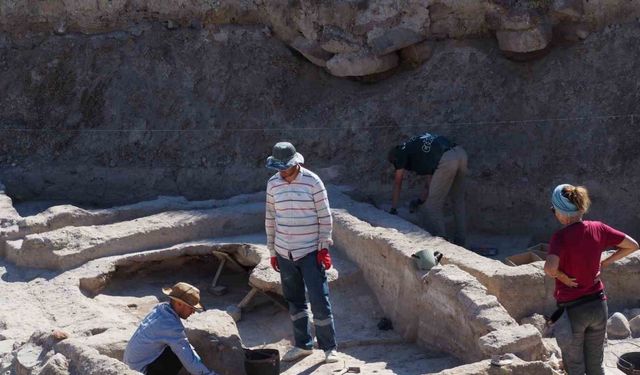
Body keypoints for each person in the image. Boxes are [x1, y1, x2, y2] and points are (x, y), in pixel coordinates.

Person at [544, 184, 638, 375]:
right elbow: (633, 245)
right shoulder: (599, 228)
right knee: (596, 364)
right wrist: (605, 262)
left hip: (573, 310)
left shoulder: (560, 237)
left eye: (554, 210)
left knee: (575, 365)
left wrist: (563, 277)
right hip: (598, 305)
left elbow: (549, 268)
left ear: (562, 213)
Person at [264, 141, 340, 364]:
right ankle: (303, 345)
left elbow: (325, 217)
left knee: (319, 298)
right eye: (278, 167)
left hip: (309, 251)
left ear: (295, 163)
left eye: (285, 166)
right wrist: (272, 250)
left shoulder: (312, 181)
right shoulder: (273, 184)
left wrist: (323, 247)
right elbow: (270, 217)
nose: (282, 171)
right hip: (284, 251)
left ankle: (329, 347)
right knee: (294, 300)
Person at [387, 132, 468, 246]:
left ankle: (443, 243)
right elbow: (430, 182)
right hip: (460, 153)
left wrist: (393, 209)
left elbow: (398, 182)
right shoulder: (415, 147)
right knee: (458, 200)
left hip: (447, 159)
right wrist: (420, 201)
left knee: (432, 205)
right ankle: (461, 242)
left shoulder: (399, 154)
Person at [123, 282, 217, 375]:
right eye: (191, 308)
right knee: (177, 355)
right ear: (179, 303)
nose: (193, 312)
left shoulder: (161, 308)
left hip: (131, 364)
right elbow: (187, 358)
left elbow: (185, 345)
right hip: (139, 371)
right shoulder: (170, 325)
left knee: (180, 348)